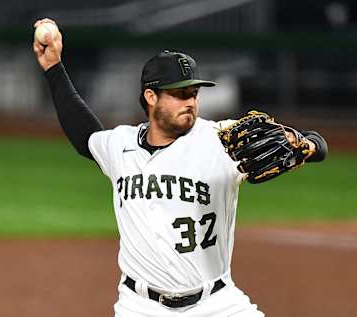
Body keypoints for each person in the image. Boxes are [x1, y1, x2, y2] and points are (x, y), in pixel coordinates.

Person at [33, 18, 327, 317]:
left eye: (194, 93)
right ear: (151, 97)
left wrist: (300, 143)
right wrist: (54, 67)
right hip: (140, 306)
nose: (190, 102)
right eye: (180, 94)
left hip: (217, 304)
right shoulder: (120, 145)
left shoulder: (221, 139)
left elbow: (317, 145)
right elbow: (86, 138)